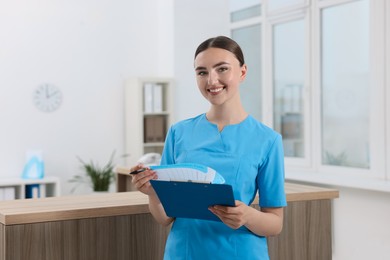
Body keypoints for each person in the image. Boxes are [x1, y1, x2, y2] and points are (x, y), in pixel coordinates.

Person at [130, 35, 287, 260]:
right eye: (202, 72)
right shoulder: (178, 133)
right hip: (184, 252)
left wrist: (248, 216)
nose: (212, 81)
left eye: (222, 69)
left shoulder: (267, 140)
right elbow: (166, 218)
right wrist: (153, 194)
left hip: (240, 253)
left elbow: (275, 223)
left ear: (242, 72)